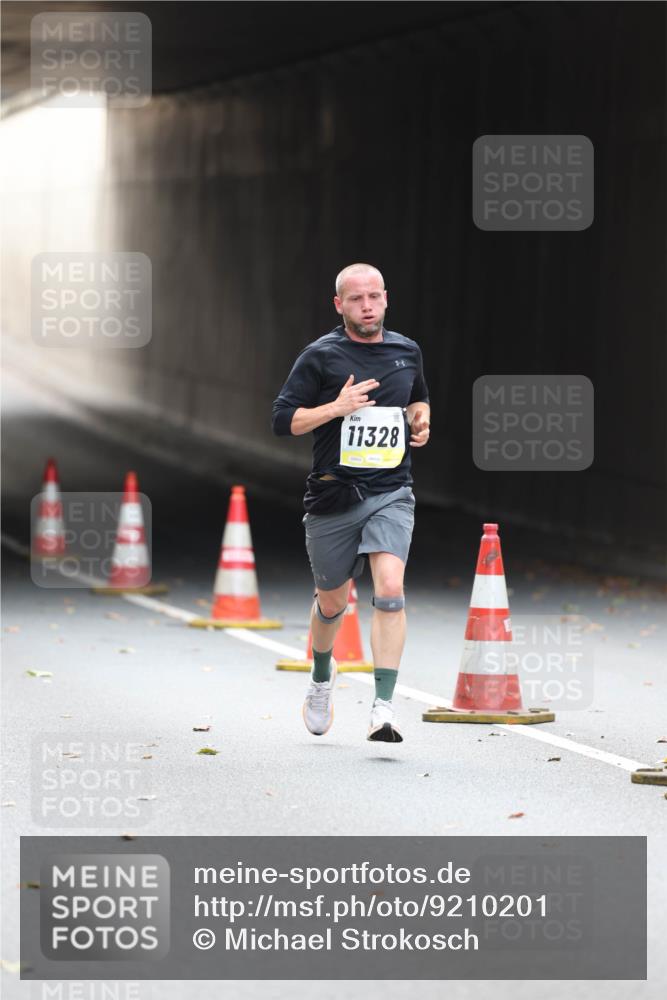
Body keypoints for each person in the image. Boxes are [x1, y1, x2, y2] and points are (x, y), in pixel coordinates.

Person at [271, 263, 430, 742]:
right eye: (356, 298)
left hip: (390, 492)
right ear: (339, 305)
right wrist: (336, 409)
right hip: (332, 494)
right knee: (332, 603)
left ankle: (383, 706)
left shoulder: (407, 351)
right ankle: (322, 674)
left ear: (386, 298)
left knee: (390, 589)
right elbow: (283, 420)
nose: (367, 305)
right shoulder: (321, 357)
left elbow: (418, 399)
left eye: (374, 296)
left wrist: (420, 421)